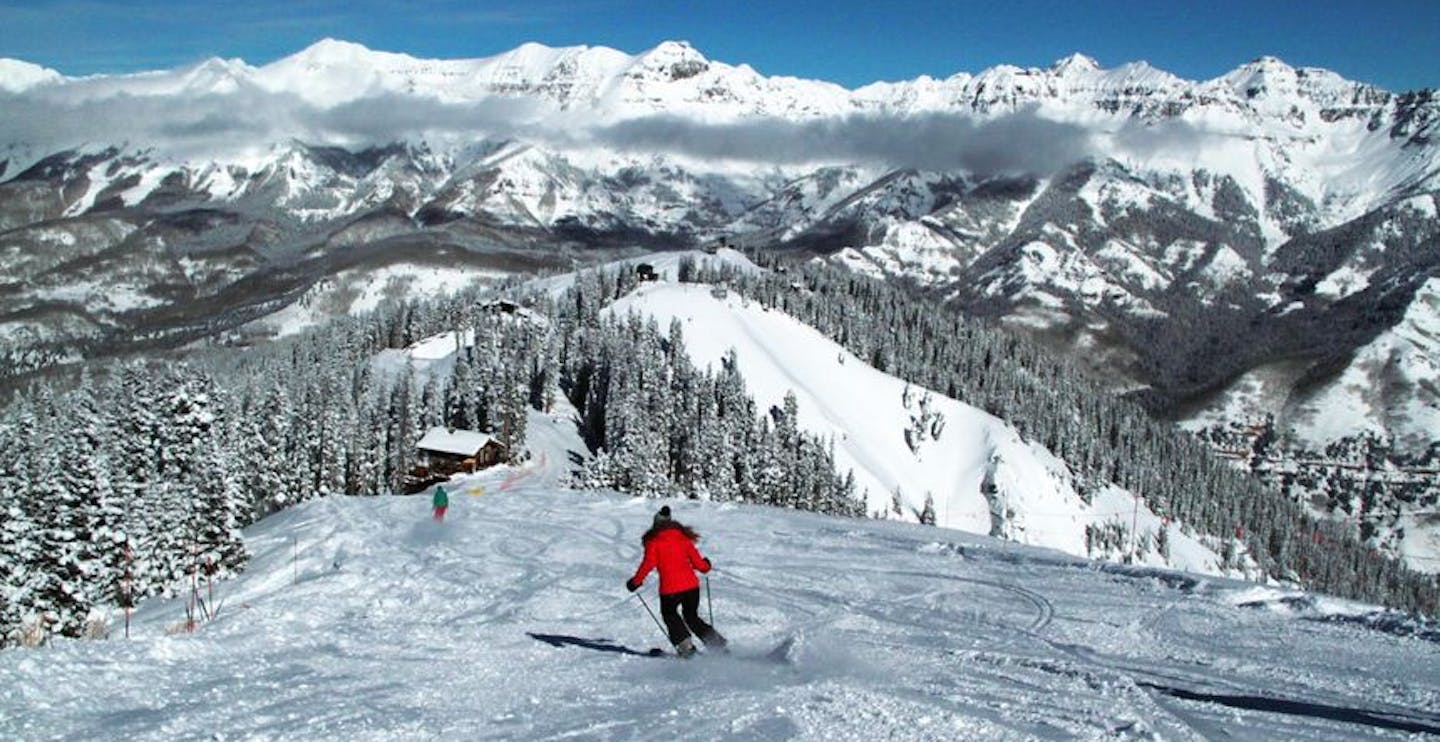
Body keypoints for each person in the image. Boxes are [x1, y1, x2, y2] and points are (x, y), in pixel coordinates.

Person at [626, 505, 727, 657]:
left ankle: (686, 648)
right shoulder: (683, 538)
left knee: (670, 614)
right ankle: (717, 645)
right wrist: (706, 566)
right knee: (692, 617)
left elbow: (647, 565)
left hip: (670, 589)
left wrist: (635, 582)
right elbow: (698, 563)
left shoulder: (654, 542)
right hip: (692, 587)